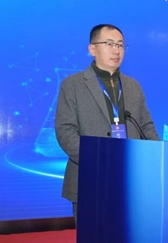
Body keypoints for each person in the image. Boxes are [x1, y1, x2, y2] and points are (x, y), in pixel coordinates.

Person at [55, 24, 159, 222]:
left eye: (120, 45)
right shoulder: (73, 85)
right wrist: (97, 160)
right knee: (93, 238)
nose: (116, 50)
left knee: (130, 236)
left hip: (131, 178)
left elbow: (146, 126)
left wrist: (157, 158)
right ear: (92, 49)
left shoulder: (133, 86)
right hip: (90, 177)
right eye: (109, 44)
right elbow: (65, 131)